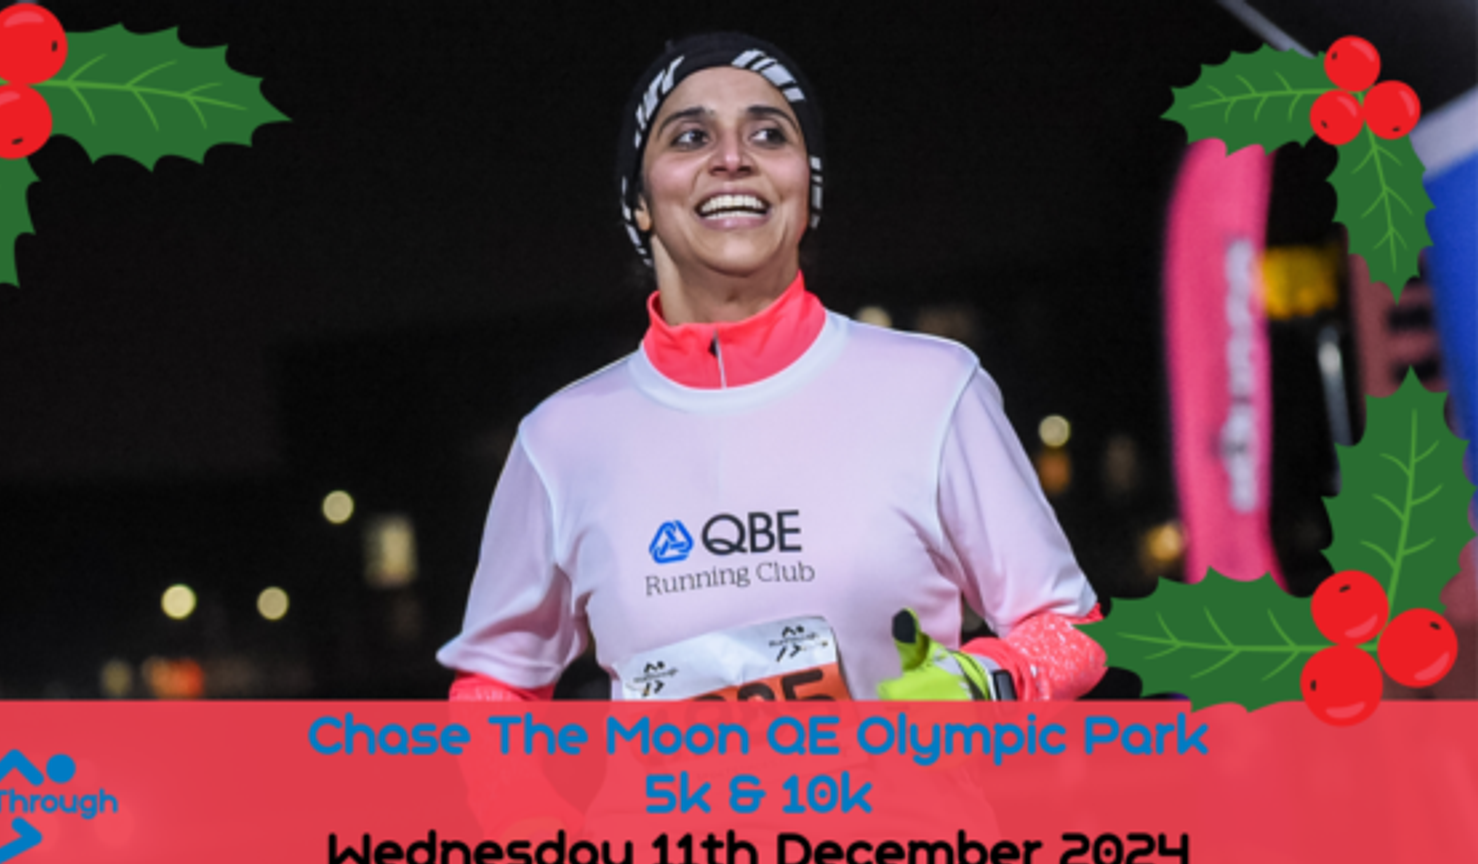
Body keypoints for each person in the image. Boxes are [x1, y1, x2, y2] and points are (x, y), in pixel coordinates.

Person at [436, 31, 1106, 708]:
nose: (733, 158)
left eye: (769, 135)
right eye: (691, 138)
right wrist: (538, 783)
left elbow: (1070, 628)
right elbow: (494, 688)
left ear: (806, 191)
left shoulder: (935, 389)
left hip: (905, 787)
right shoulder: (560, 440)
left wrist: (983, 681)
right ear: (639, 201)